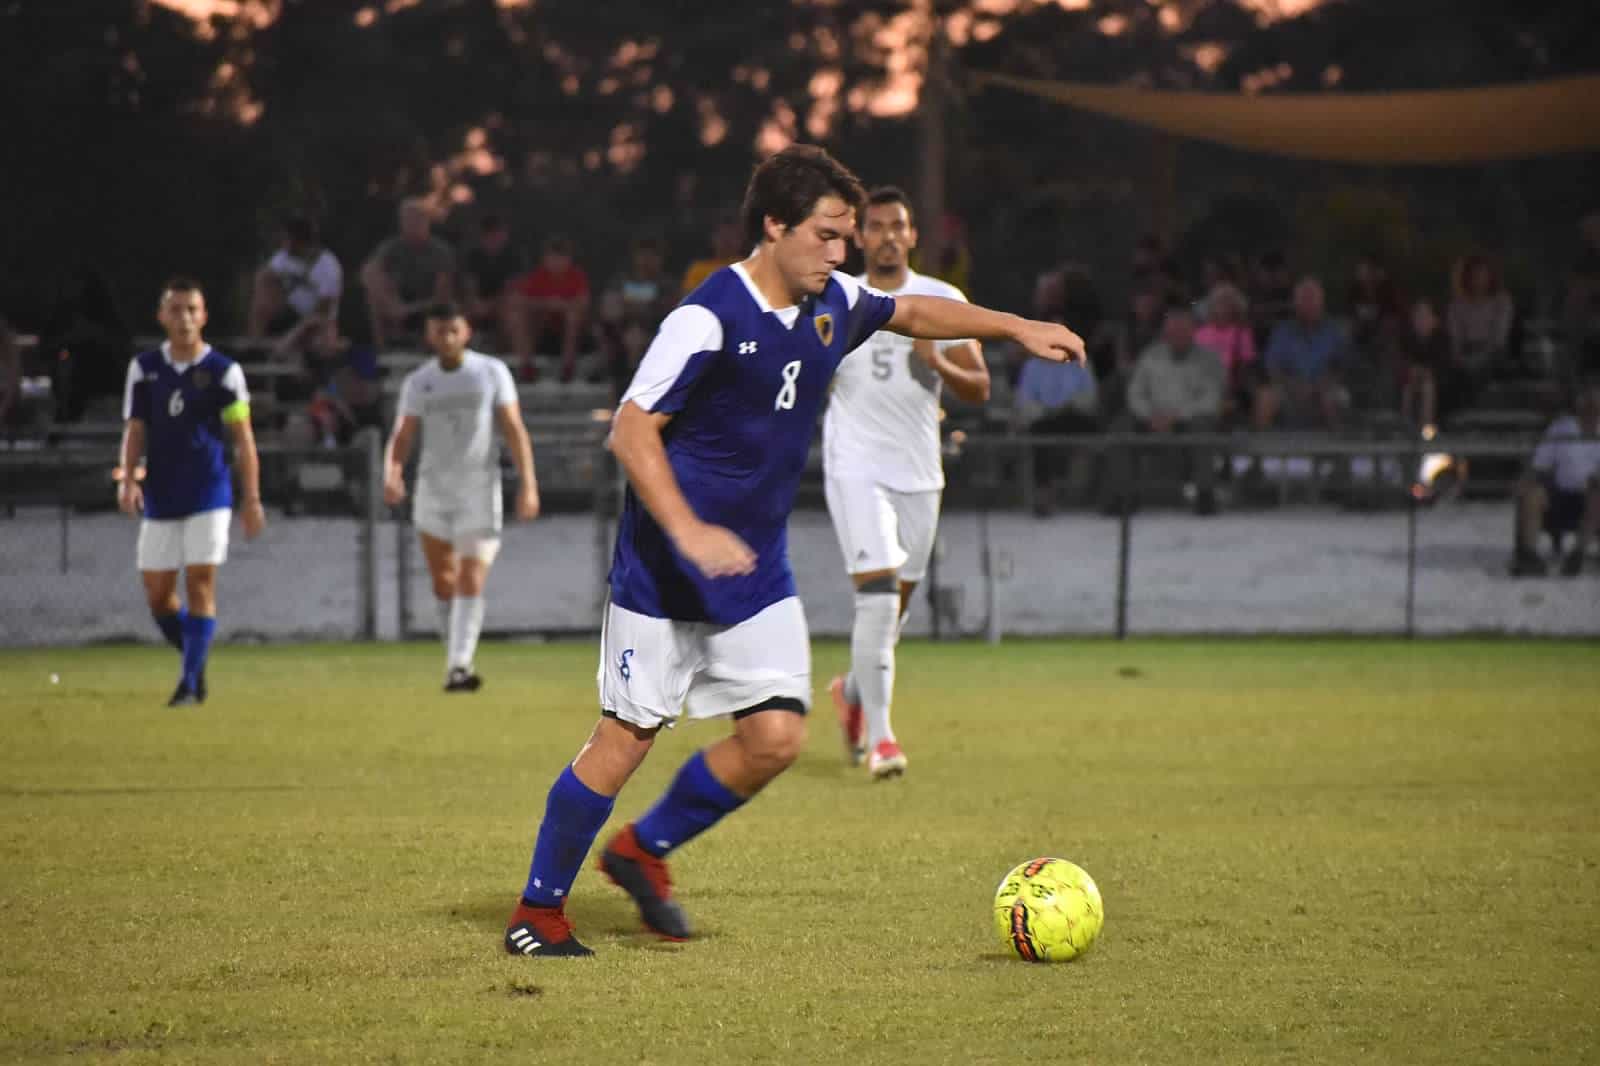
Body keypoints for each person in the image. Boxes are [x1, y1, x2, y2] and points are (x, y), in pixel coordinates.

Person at [503, 144, 1083, 958]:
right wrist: (689, 529)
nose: (842, 253)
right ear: (774, 227)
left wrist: (1016, 326)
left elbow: (915, 312)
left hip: (754, 568)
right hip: (665, 570)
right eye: (826, 234)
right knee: (624, 742)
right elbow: (631, 431)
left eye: (847, 237)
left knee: (776, 738)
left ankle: (642, 851)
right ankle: (538, 914)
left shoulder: (834, 301)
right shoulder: (705, 318)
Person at [820, 186, 990, 779]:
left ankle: (853, 695)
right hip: (853, 466)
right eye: (877, 226)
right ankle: (882, 739)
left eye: (899, 225)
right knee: (877, 593)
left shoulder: (941, 298)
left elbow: (980, 387)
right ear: (858, 237)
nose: (888, 235)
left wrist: (938, 362)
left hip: (918, 471)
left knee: (896, 609)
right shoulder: (833, 299)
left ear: (913, 236)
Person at [117, 279, 266, 707]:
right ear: (161, 316)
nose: (184, 317)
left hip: (209, 491)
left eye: (192, 309)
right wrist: (129, 480)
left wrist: (251, 498)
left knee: (201, 583)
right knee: (158, 594)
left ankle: (188, 686)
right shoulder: (145, 369)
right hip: (162, 493)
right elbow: (135, 429)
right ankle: (195, 664)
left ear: (204, 316)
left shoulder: (223, 372)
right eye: (176, 309)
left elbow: (243, 438)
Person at [383, 304, 540, 691]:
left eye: (454, 330)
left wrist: (528, 483)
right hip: (433, 492)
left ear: (467, 332)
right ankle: (455, 657)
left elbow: (513, 428)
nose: (447, 338)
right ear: (429, 336)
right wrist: (392, 472)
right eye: (440, 331)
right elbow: (403, 434)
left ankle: (458, 667)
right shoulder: (420, 382)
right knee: (444, 582)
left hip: (480, 492)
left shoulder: (491, 372)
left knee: (471, 577)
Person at [1111, 304, 1226, 515]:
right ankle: (1122, 495)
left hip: (1189, 420)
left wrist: (1176, 417)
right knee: (1121, 426)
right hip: (1151, 419)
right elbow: (1135, 393)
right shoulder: (1150, 356)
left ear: (1193, 332)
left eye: (1183, 331)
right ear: (1165, 333)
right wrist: (1150, 416)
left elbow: (1211, 398)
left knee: (1203, 427)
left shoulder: (1209, 360)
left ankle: (1204, 495)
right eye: (1173, 332)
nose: (1178, 336)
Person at [1510, 382, 1600, 577]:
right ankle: (1528, 555)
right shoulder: (1561, 428)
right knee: (1531, 492)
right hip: (1561, 496)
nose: (1592, 406)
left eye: (1596, 401)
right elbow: (1538, 466)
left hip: (1593, 501)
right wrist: (1526, 483)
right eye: (1588, 401)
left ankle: (1578, 554)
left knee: (1597, 494)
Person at [360, 198, 456, 350]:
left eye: (416, 218)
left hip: (429, 304)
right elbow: (368, 273)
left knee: (443, 309)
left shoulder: (440, 252)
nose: (412, 223)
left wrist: (411, 308)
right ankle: (383, 352)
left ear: (426, 221)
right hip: (398, 303)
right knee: (373, 297)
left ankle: (430, 346)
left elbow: (442, 293)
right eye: (407, 219)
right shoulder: (392, 248)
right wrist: (391, 302)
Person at [247, 215, 342, 356]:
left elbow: (324, 309)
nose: (282, 243)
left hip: (317, 320)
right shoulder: (283, 258)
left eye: (285, 239)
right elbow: (266, 278)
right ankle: (255, 346)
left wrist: (296, 332)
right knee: (263, 281)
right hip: (288, 313)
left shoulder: (328, 266)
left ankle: (284, 351)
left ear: (298, 241)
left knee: (319, 333)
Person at [1261, 277, 1348, 430]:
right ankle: (1261, 448)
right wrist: (1293, 385)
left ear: (1321, 303)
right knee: (1266, 397)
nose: (1308, 304)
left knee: (1334, 398)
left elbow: (1341, 367)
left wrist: (1322, 385)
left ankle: (1337, 447)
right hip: (1289, 386)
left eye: (1313, 299)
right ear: (1295, 303)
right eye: (1304, 299)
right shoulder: (1282, 332)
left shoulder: (1334, 332)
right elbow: (1273, 368)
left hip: (1324, 386)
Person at [515, 235, 592, 382]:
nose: (556, 262)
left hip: (572, 335)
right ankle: (526, 366)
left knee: (572, 317)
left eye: (561, 257)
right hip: (543, 332)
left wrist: (562, 306)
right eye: (553, 257)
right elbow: (522, 301)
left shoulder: (576, 276)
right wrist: (546, 304)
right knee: (520, 317)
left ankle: (568, 366)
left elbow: (583, 303)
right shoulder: (538, 276)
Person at [461, 214, 530, 360]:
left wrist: (489, 306)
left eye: (498, 234)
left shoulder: (515, 256)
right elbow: (469, 286)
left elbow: (513, 290)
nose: (494, 238)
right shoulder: (473, 256)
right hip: (478, 305)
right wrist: (475, 303)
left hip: (504, 304)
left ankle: (519, 363)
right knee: (457, 316)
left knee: (512, 313)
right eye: (489, 234)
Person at [1193, 281, 1261, 427]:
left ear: (1235, 308)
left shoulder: (1242, 333)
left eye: (1227, 303)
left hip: (1231, 388)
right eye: (1219, 303)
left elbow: (1247, 366)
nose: (1222, 308)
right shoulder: (1199, 334)